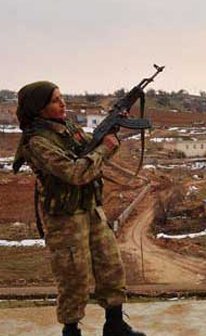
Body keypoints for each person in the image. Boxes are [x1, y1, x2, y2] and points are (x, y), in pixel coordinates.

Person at [13, 81, 145, 336]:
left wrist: (113, 125)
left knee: (111, 265)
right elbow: (76, 172)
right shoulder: (36, 142)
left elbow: (92, 148)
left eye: (61, 98)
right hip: (64, 218)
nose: (62, 104)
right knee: (74, 277)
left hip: (90, 208)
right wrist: (106, 148)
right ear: (38, 108)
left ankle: (115, 325)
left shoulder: (68, 128)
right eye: (54, 100)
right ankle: (71, 331)